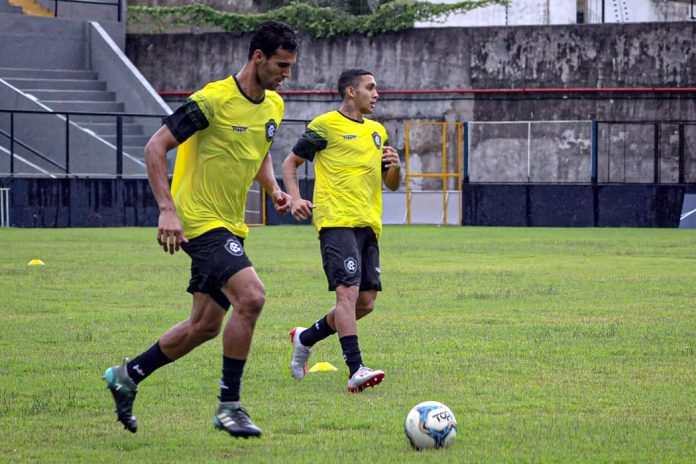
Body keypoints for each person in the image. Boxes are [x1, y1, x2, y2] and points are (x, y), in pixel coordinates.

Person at [103, 20, 298, 438]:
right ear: (258, 57)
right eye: (281, 65)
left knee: (204, 326)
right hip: (198, 221)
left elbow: (259, 151)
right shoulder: (211, 101)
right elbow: (155, 146)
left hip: (230, 224)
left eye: (290, 67)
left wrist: (275, 190)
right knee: (252, 296)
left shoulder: (274, 105)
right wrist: (167, 210)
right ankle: (229, 406)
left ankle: (126, 375)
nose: (287, 74)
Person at [281, 68, 401, 392]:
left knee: (365, 302)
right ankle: (355, 369)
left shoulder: (378, 132)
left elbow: (391, 184)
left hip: (368, 223)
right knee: (346, 293)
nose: (376, 94)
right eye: (370, 88)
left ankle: (305, 337)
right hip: (335, 221)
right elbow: (289, 164)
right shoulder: (325, 126)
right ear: (350, 91)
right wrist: (294, 199)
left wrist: (396, 167)